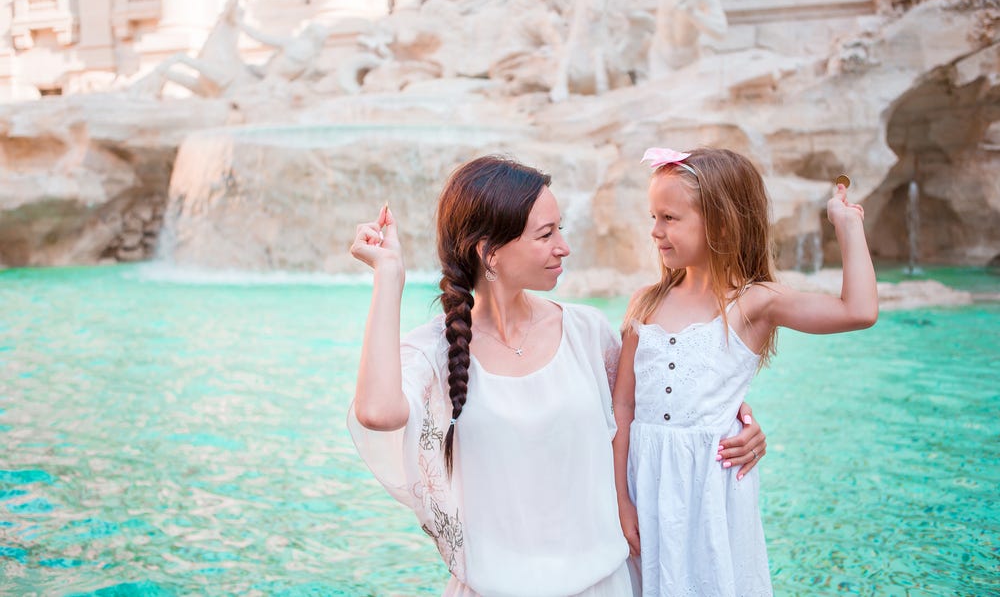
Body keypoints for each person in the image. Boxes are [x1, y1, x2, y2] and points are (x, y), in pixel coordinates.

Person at [347, 155, 768, 596]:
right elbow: (376, 412)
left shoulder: (589, 334)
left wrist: (739, 425)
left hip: (602, 585)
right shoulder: (438, 349)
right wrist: (389, 276)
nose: (563, 246)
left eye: (560, 229)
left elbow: (666, 411)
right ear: (489, 253)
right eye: (546, 234)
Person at [612, 147, 878, 596]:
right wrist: (621, 500)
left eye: (670, 218)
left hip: (710, 489)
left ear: (719, 222)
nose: (655, 231)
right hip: (646, 482)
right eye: (654, 217)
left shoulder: (753, 302)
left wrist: (847, 226)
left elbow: (859, 311)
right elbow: (623, 403)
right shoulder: (647, 301)